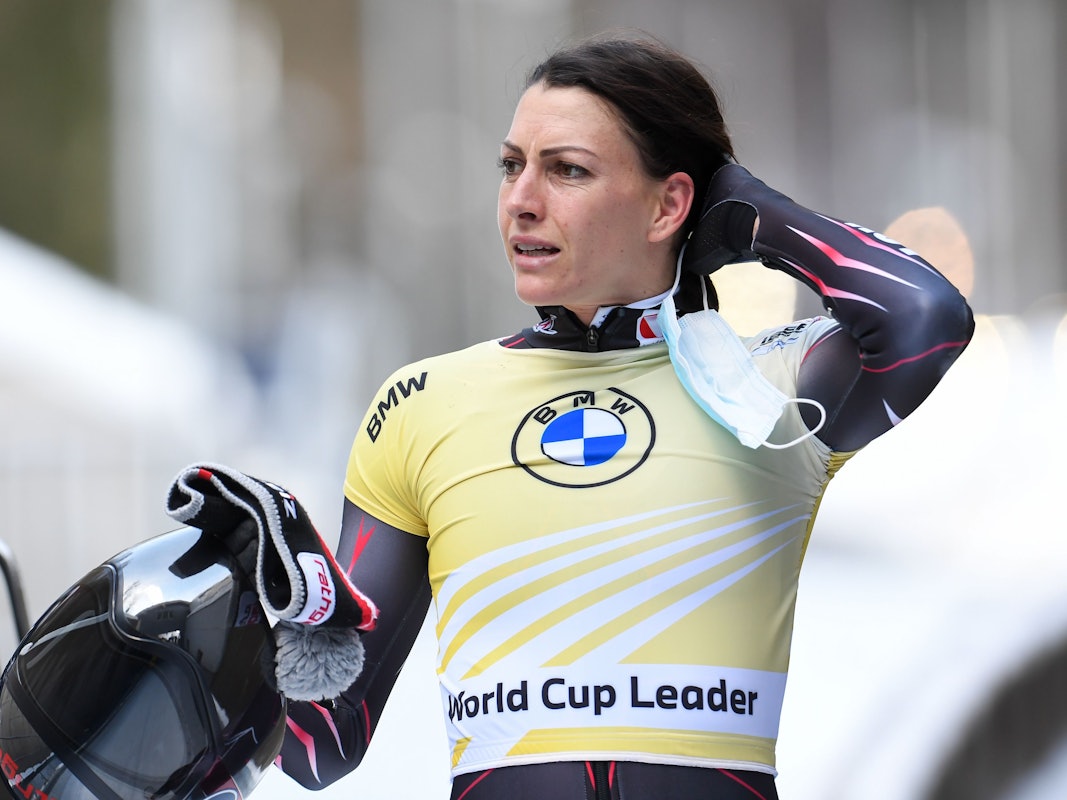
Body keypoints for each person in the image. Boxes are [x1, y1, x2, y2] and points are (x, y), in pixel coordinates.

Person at [273, 31, 974, 799]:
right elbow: (320, 743)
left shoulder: (760, 385)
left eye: (566, 170)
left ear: (669, 203)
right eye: (511, 166)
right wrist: (262, 605)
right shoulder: (422, 403)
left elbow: (926, 318)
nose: (521, 200)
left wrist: (753, 218)